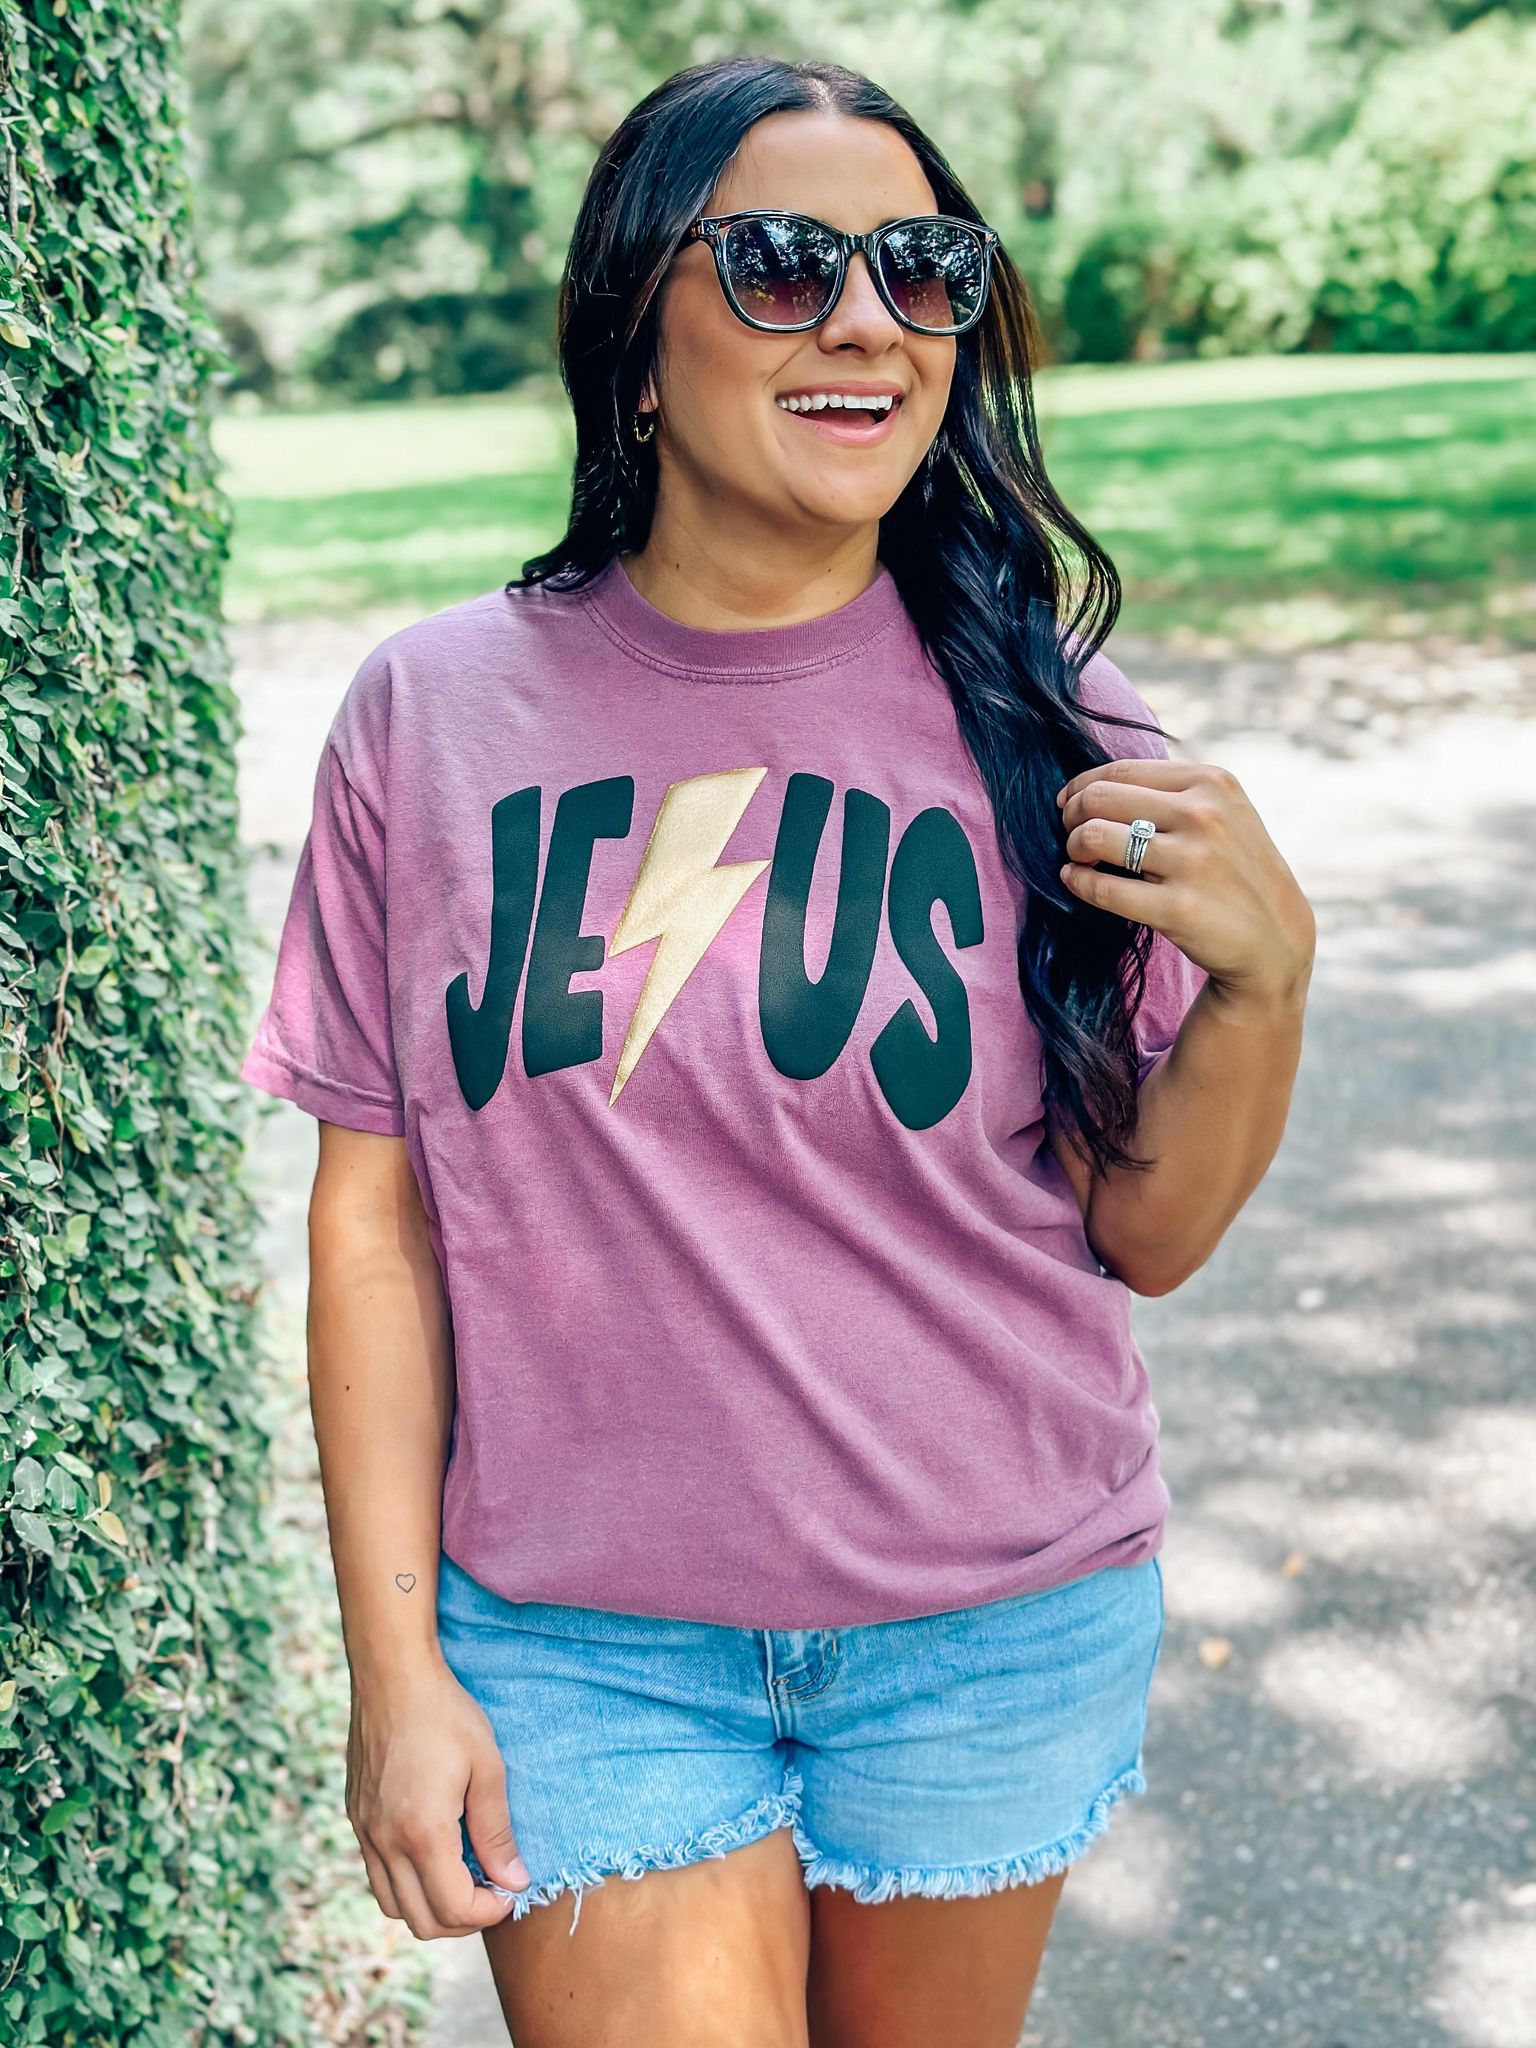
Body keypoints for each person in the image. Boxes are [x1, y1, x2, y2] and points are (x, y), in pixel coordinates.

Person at [240, 53, 1314, 2048]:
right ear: (636, 333)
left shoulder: (1058, 723)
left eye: (925, 270)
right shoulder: (432, 716)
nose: (869, 323)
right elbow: (373, 1225)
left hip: (989, 1621)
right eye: (787, 264)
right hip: (583, 1646)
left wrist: (1267, 987)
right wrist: (394, 1672)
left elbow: (1147, 1232)